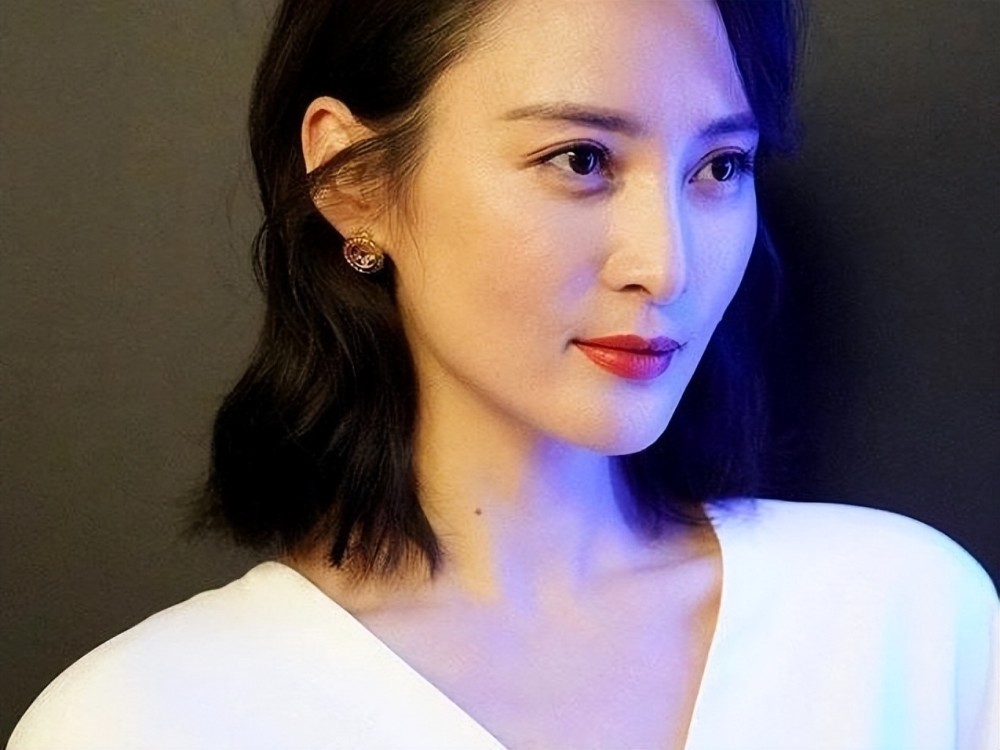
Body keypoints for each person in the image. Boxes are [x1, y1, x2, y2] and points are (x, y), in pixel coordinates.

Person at [9, 0, 997, 748]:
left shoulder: (903, 621)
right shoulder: (143, 720)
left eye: (719, 167)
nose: (667, 265)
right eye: (580, 159)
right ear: (355, 181)